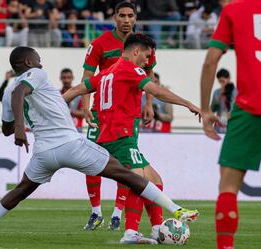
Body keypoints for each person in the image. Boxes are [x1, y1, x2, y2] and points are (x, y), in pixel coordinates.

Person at [0, 46, 199, 242]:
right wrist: (21, 128)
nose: (42, 65)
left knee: (20, 191)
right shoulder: (34, 77)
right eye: (38, 60)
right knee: (127, 175)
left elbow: (5, 128)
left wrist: (20, 124)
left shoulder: (9, 91)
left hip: (43, 153)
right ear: (29, 63)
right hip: (70, 145)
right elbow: (20, 92)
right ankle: (176, 209)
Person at [64, 33, 200, 244]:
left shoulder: (107, 72)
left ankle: (156, 229)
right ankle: (130, 232)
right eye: (146, 56)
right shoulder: (130, 69)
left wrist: (54, 105)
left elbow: (77, 89)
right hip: (121, 137)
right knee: (139, 183)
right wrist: (189, 104)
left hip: (110, 136)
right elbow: (156, 91)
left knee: (154, 180)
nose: (147, 62)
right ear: (135, 51)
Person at [81, 2, 164, 238]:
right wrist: (86, 107)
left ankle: (118, 213)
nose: (126, 20)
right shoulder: (99, 43)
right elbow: (88, 76)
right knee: (91, 162)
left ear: (135, 19)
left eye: (130, 16)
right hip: (99, 112)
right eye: (122, 15)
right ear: (114, 17)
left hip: (127, 114)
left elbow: (149, 75)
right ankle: (96, 211)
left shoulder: (143, 45)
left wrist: (148, 104)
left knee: (127, 165)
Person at [200, 1, 261, 249]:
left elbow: (210, 62)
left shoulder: (235, 10)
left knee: (228, 187)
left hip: (249, 110)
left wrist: (205, 110)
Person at [210, 68, 236, 133]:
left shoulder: (235, 92)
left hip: (232, 125)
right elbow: (212, 109)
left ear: (229, 79)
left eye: (223, 81)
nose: (222, 84)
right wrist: (220, 95)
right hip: (219, 126)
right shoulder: (217, 92)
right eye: (220, 81)